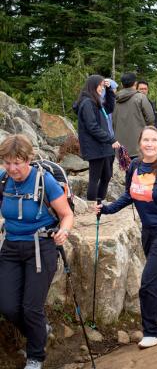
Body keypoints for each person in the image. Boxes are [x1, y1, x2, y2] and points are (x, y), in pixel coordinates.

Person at [95, 126, 157, 349]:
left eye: (153, 140)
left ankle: (152, 331)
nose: (149, 144)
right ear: (140, 143)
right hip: (148, 231)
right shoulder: (134, 166)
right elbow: (130, 195)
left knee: (148, 282)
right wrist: (107, 209)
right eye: (145, 140)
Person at [0, 134, 74, 369]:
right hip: (11, 247)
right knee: (8, 306)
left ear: (29, 159)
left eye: (17, 163)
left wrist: (63, 231)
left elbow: (67, 215)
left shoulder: (45, 181)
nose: (12, 169)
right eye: (7, 162)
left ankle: (35, 356)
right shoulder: (3, 181)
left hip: (41, 247)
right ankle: (40, 331)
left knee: (31, 307)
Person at [73, 75, 120, 202]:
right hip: (94, 146)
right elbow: (92, 127)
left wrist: (109, 90)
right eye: (101, 86)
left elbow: (109, 108)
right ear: (93, 86)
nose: (102, 88)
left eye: (103, 86)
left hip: (102, 146)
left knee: (106, 176)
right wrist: (111, 139)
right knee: (95, 178)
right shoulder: (87, 103)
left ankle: (100, 201)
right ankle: (92, 205)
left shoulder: (95, 101)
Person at [114, 73, 155, 159]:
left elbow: (113, 121)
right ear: (135, 83)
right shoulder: (141, 97)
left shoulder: (116, 99)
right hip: (139, 143)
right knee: (139, 170)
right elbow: (151, 118)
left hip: (121, 145)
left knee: (127, 170)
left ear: (122, 84)